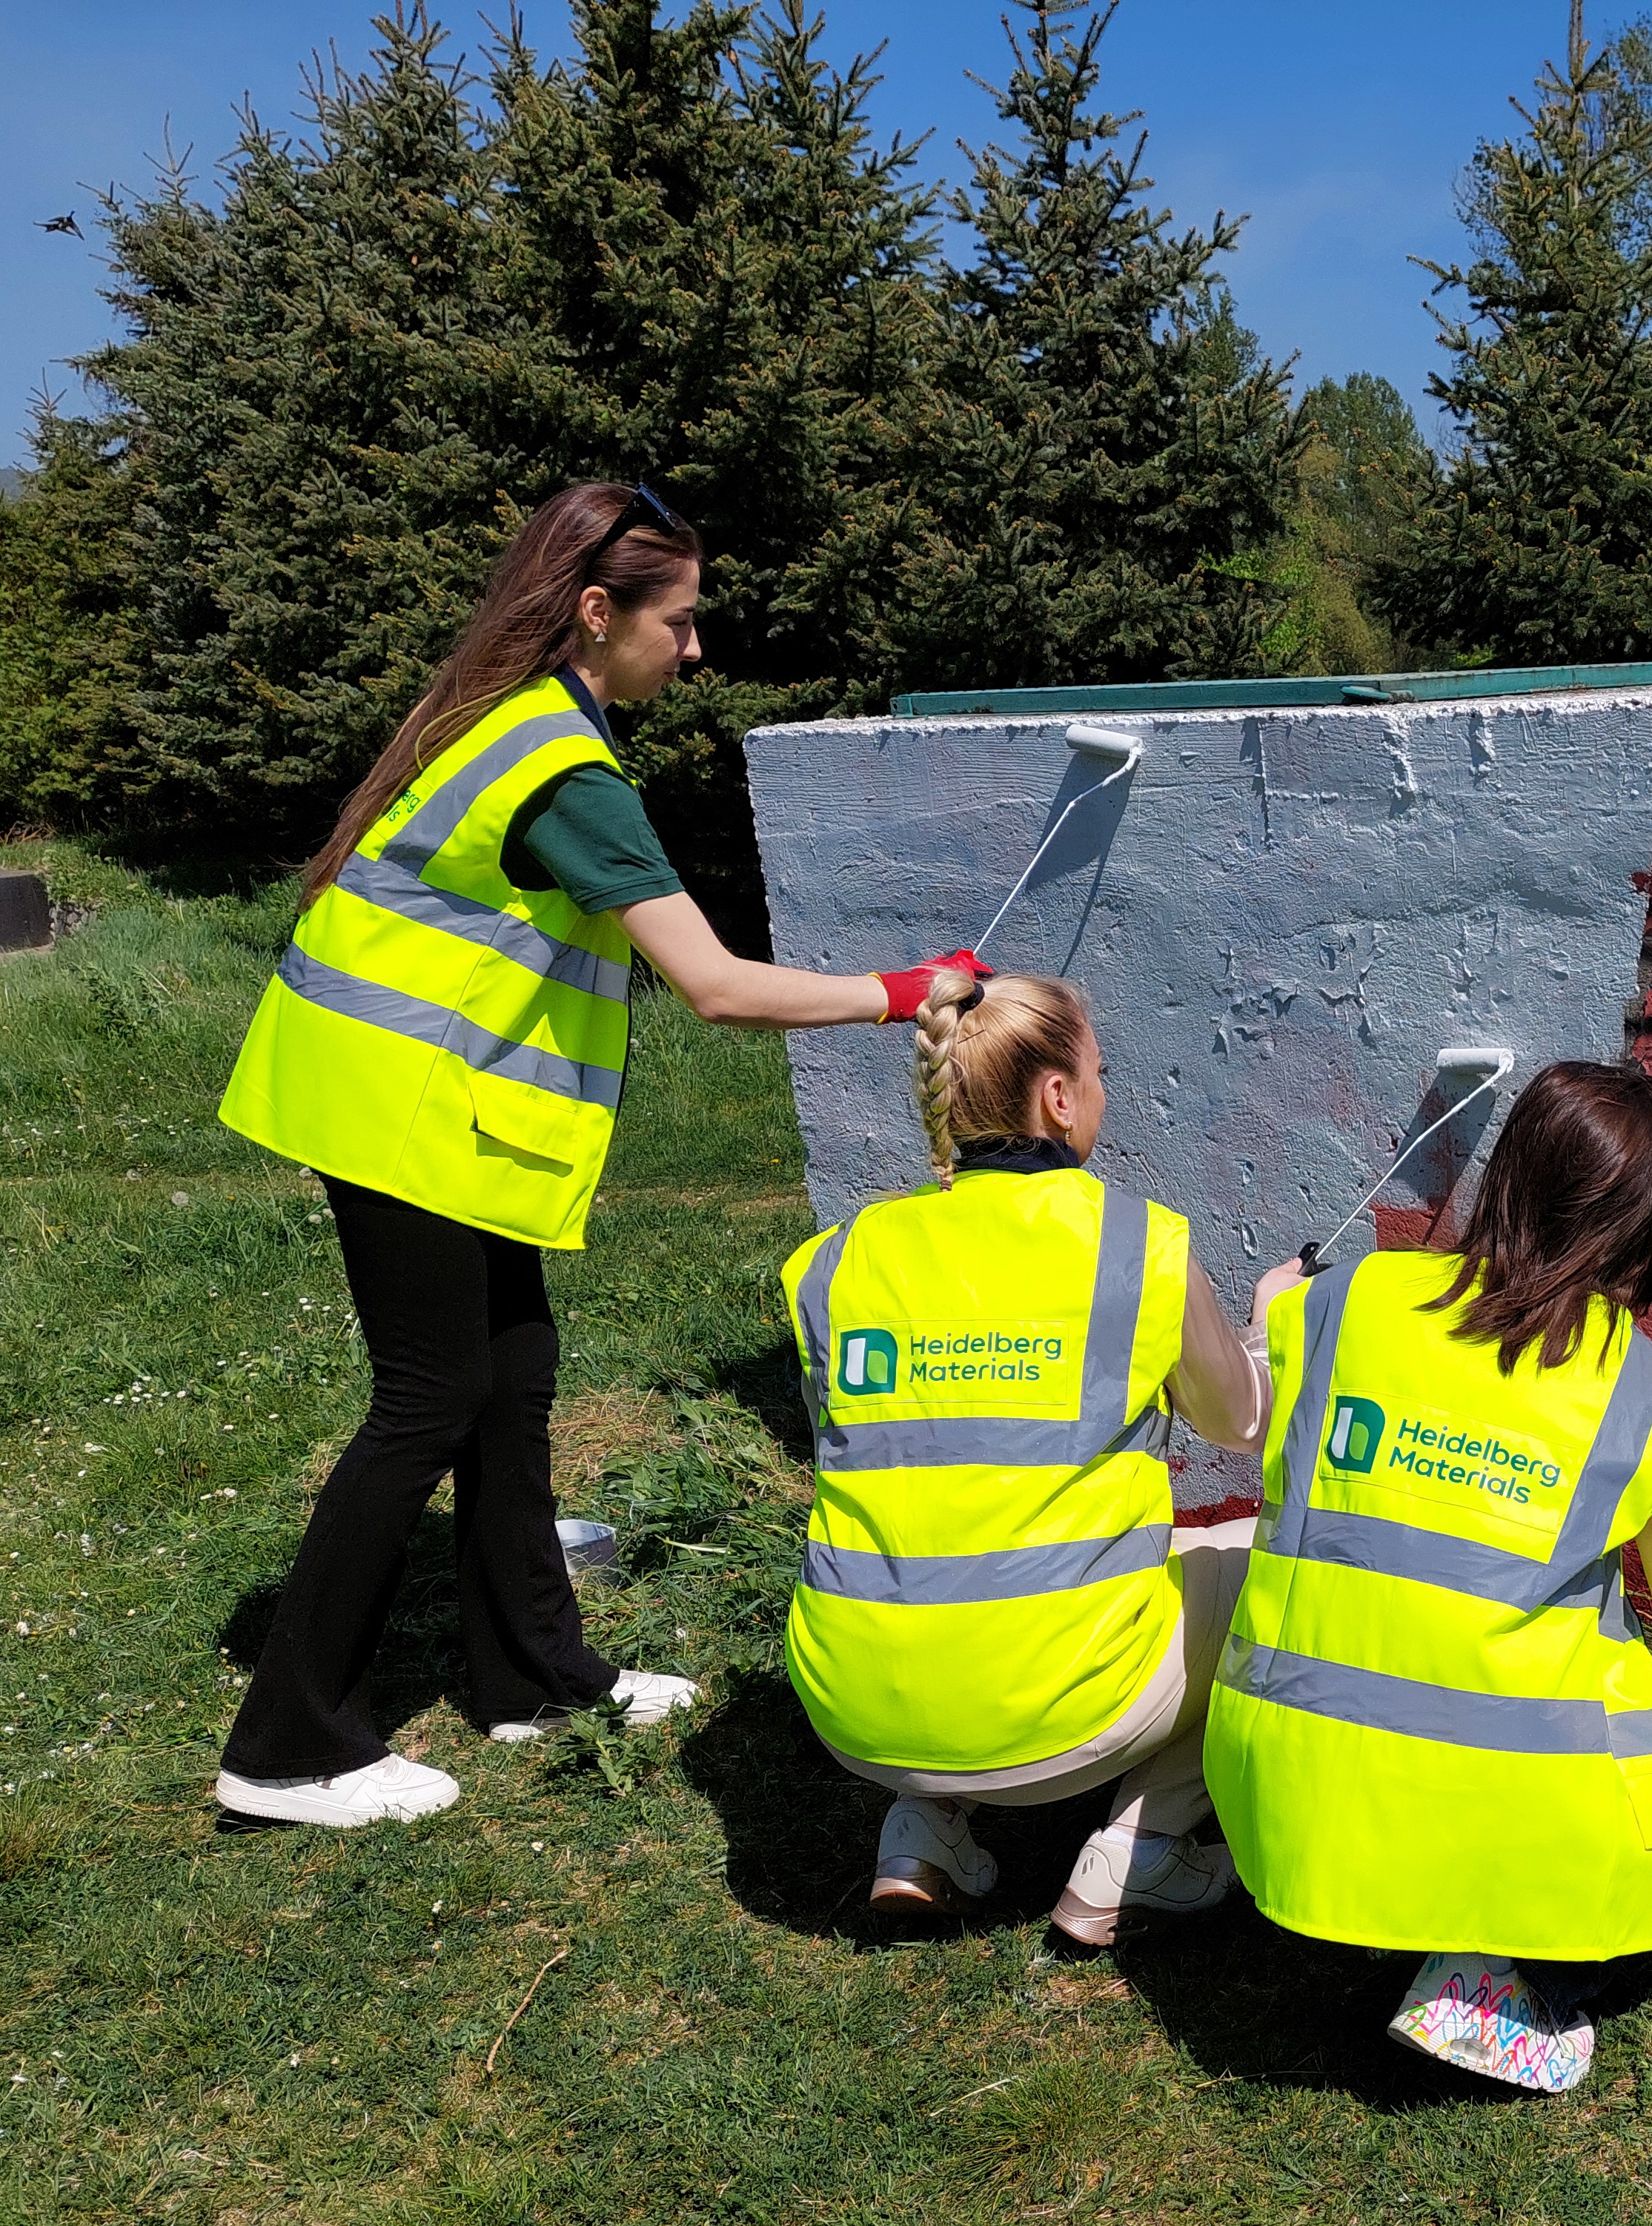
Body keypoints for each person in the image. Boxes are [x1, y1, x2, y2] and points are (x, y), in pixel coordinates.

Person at [212, 481, 986, 1829]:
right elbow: (719, 988)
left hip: (409, 1092)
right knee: (430, 1400)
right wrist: (904, 988)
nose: (695, 650)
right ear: (594, 612)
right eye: (679, 622)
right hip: (396, 1103)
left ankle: (534, 1679)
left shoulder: (518, 720)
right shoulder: (565, 776)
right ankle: (289, 1746)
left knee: (510, 1379)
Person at [1206, 1059, 1652, 2090]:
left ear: (1511, 1175)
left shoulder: (1348, 1300)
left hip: (1276, 1791)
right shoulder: (1640, 1392)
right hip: (1472, 1803)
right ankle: (1494, 1981)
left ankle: (1387, 1910)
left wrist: (1276, 1309)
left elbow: (1262, 1372)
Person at [783, 967, 1273, 1943]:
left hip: (852, 1706)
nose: (1102, 1090)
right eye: (1099, 1071)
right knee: (1269, 1561)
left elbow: (862, 1444)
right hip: (1065, 1717)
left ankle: (921, 1830)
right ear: (1058, 1097)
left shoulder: (835, 1257)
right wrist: (1266, 1324)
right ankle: (1142, 1852)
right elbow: (1238, 1424)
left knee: (959, 1545)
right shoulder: (1138, 1245)